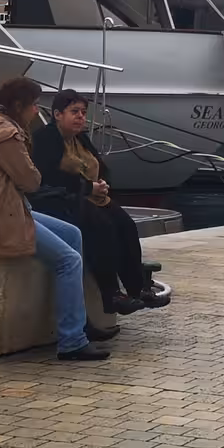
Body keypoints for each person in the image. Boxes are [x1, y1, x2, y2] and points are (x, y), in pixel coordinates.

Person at [0, 77, 109, 362]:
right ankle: (72, 342)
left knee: (73, 233)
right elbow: (31, 180)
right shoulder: (5, 135)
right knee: (69, 260)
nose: (37, 111)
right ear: (19, 106)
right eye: (34, 105)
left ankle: (78, 321)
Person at [30, 90, 168, 316]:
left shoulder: (80, 138)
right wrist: (86, 186)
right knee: (104, 228)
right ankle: (111, 294)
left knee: (126, 225)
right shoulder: (46, 138)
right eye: (74, 112)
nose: (80, 117)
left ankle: (137, 288)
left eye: (83, 113)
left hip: (93, 195)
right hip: (63, 199)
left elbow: (99, 166)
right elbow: (48, 177)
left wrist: (102, 183)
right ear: (57, 114)